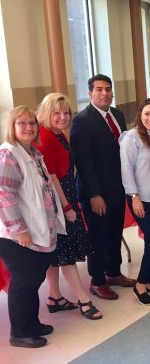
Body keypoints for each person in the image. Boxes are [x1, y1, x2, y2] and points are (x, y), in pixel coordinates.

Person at [0, 106, 65, 348]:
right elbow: (4, 195)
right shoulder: (8, 154)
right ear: (12, 127)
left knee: (34, 279)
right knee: (23, 282)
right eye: (22, 123)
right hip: (17, 235)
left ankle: (32, 324)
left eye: (32, 123)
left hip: (37, 230)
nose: (28, 127)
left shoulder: (33, 152)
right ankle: (20, 333)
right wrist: (20, 230)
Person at [36, 94, 102, 319]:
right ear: (46, 113)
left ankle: (54, 296)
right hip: (59, 202)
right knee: (67, 254)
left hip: (64, 196)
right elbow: (52, 177)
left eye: (66, 113)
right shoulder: (45, 137)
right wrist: (66, 207)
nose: (63, 117)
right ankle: (84, 300)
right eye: (57, 113)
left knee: (57, 252)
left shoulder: (56, 134)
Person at [71, 74, 135, 301]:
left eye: (108, 89)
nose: (104, 93)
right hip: (96, 192)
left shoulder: (117, 115)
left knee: (115, 232)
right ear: (90, 93)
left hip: (117, 187)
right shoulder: (82, 121)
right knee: (97, 236)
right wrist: (94, 194)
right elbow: (84, 163)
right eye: (99, 89)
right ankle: (97, 281)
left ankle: (114, 273)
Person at [120, 98, 150, 305]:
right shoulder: (131, 137)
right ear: (140, 115)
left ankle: (149, 282)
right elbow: (126, 169)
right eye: (147, 114)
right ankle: (140, 284)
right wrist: (134, 197)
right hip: (139, 198)